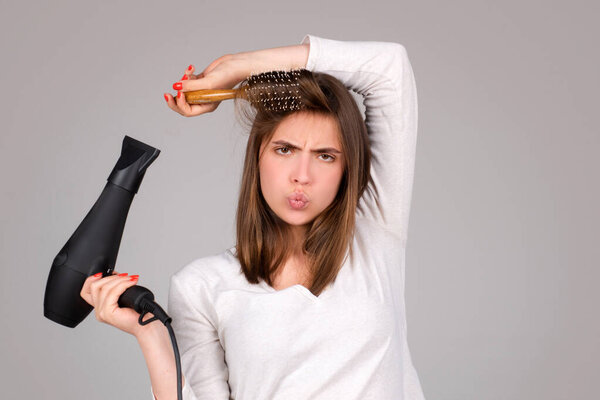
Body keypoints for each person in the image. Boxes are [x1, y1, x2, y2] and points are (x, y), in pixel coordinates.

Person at [80, 34, 423, 400]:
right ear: (257, 156)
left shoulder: (375, 231)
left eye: (326, 155)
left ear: (346, 169)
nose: (302, 175)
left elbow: (389, 69)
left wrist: (238, 67)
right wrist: (151, 334)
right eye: (285, 149)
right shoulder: (201, 287)